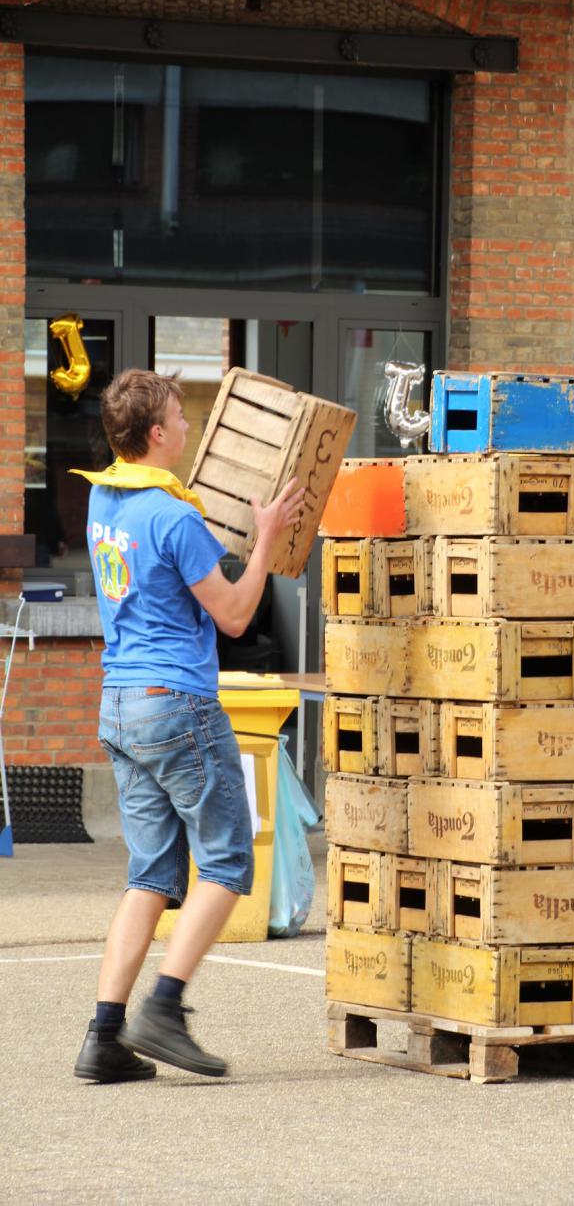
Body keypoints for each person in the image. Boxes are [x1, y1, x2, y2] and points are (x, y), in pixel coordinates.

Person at [71, 368, 306, 1084]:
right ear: (155, 434)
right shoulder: (172, 516)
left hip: (119, 703)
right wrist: (265, 539)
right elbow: (234, 614)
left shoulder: (104, 498)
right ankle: (163, 1010)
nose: (187, 426)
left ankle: (103, 1036)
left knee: (149, 873)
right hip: (175, 704)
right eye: (178, 414)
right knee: (230, 859)